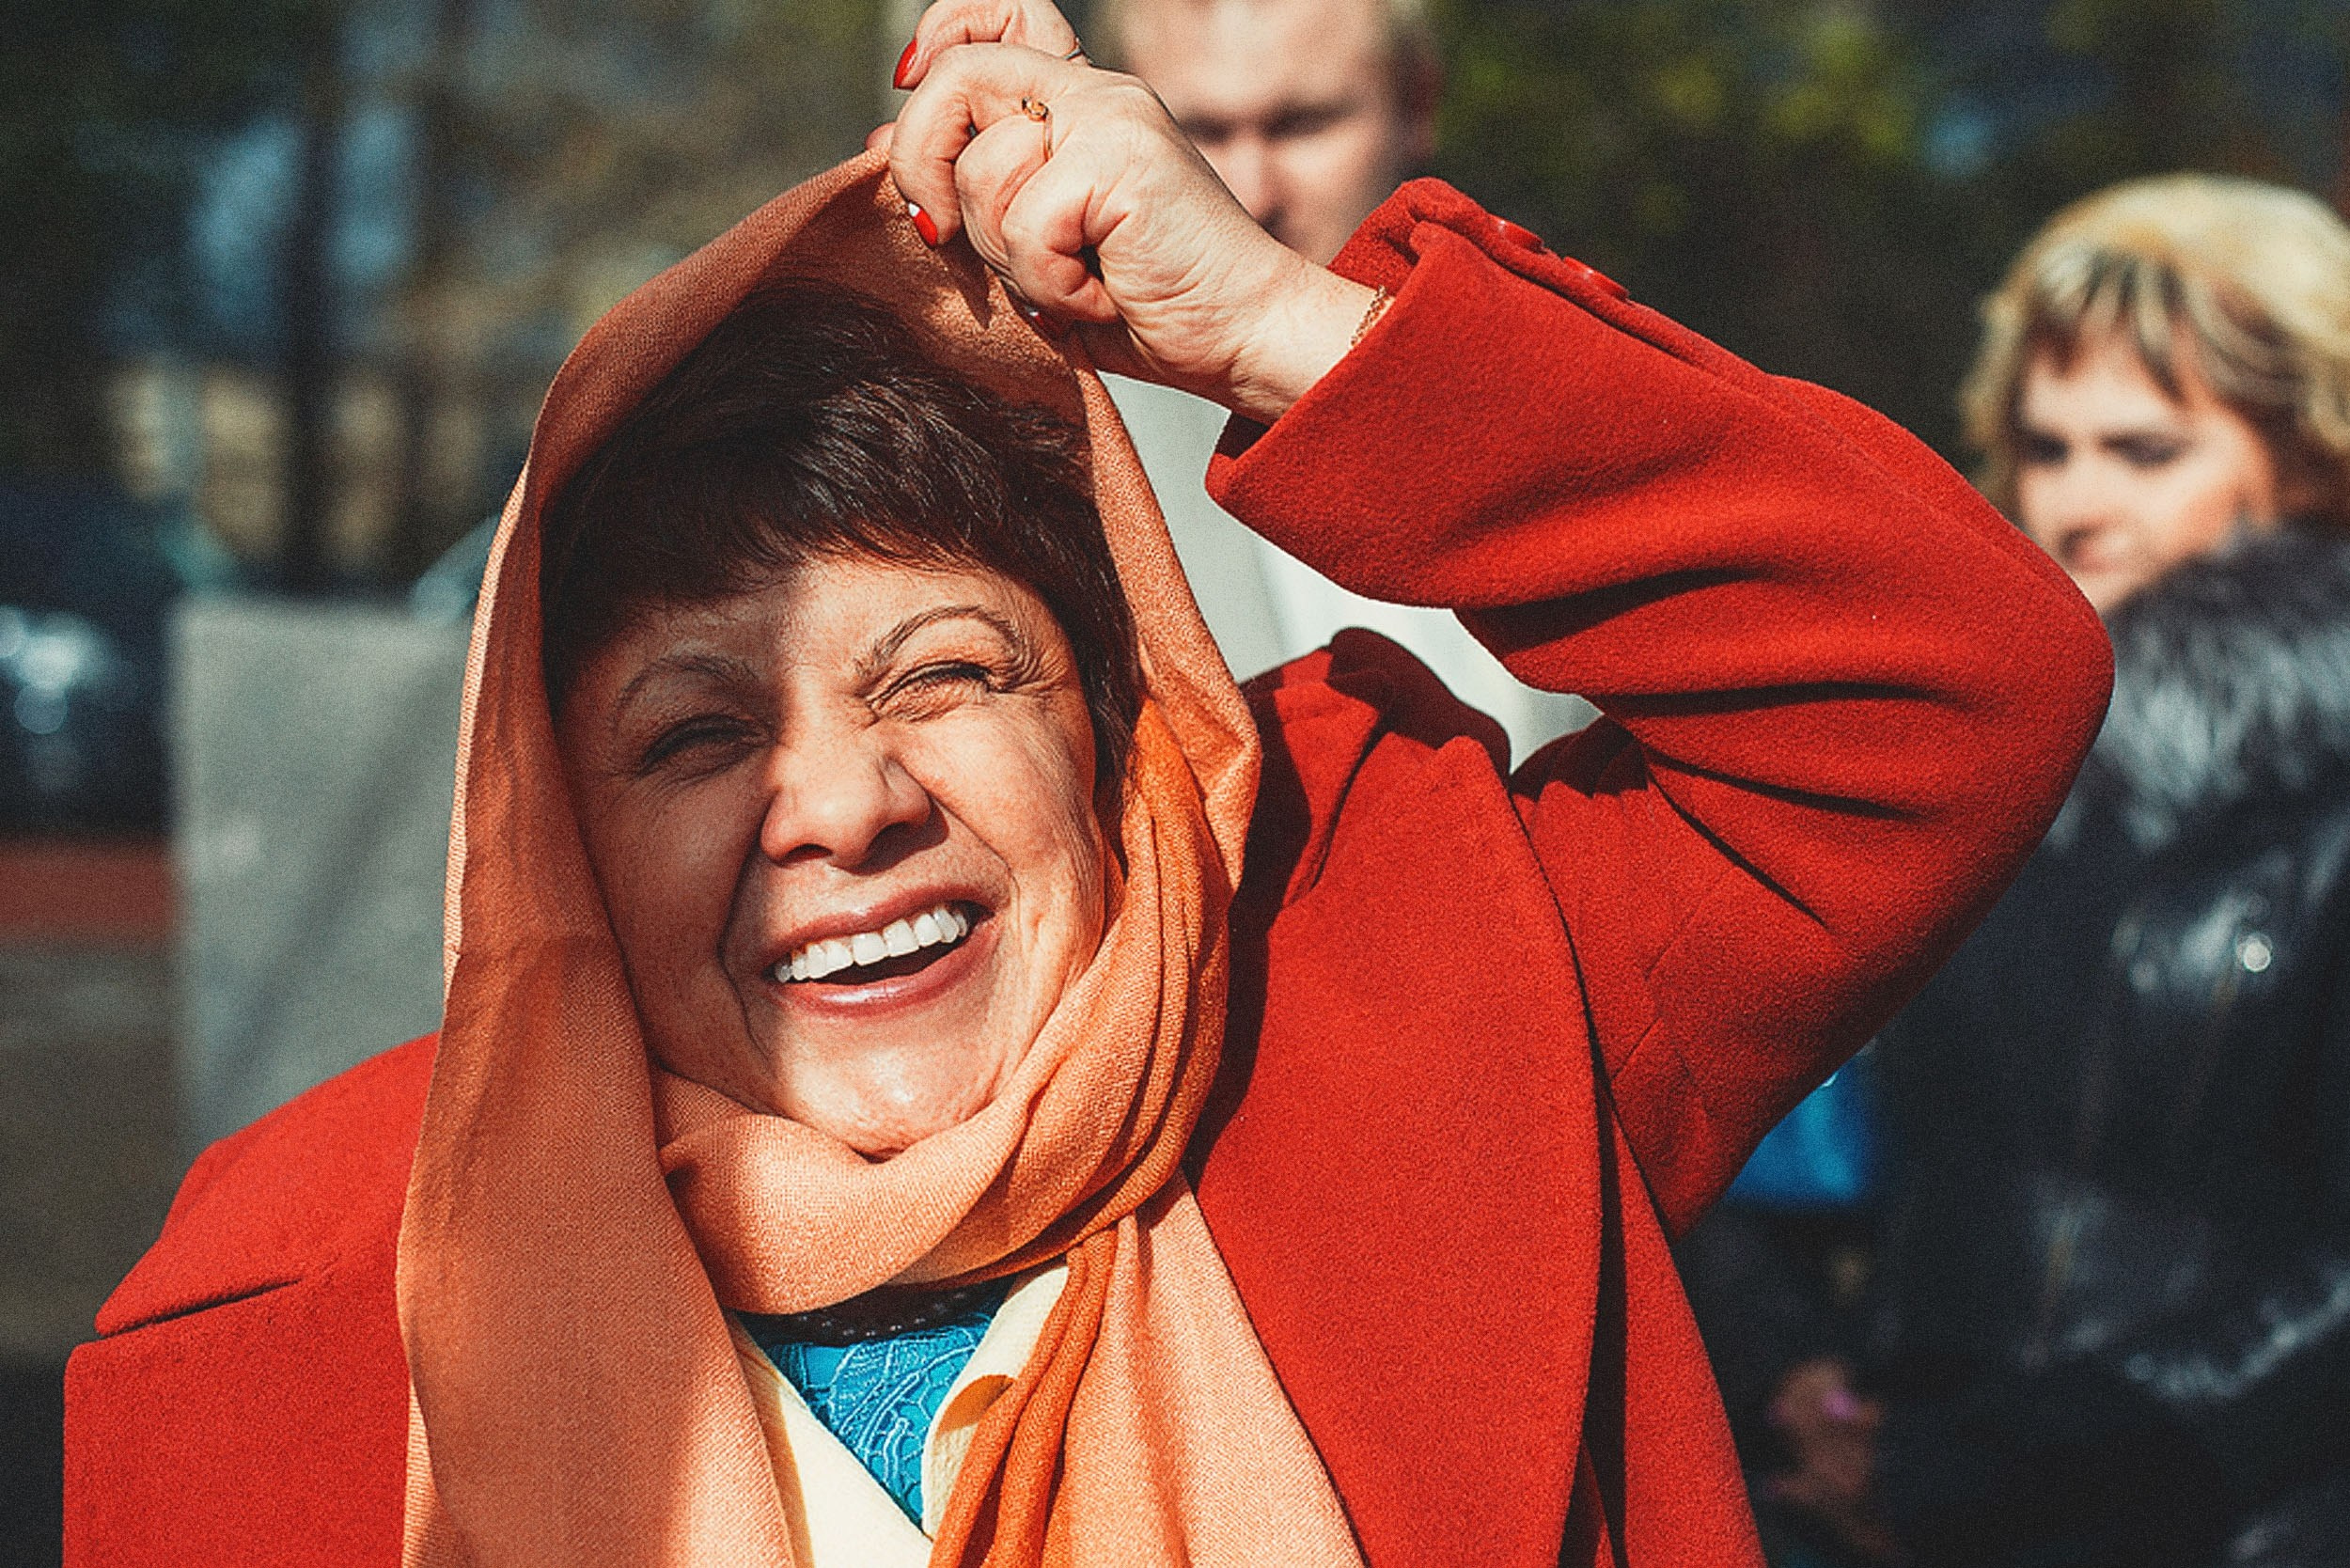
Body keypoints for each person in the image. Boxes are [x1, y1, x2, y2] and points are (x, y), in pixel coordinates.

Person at [63, 2, 2108, 1562]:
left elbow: (1952, 683)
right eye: (696, 732)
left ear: (1113, 723)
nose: (838, 804)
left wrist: (1279, 329)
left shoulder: (1439, 983)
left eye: (941, 673)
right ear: (556, 842)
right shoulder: (307, 1307)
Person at [1771, 173, 2350, 1568]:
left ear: (2313, 461)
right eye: (2048, 447)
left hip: (2233, 1520)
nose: (2079, 502)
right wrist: (1798, 1376)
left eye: (2145, 452)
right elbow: (1819, 1144)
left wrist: (1987, 1472)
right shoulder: (1953, 763)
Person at [1086, 0, 1591, 757]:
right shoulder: (1057, 435)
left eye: (1304, 125)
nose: (1251, 193)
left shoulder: (1554, 373)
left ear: (1416, 102)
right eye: (1195, 134)